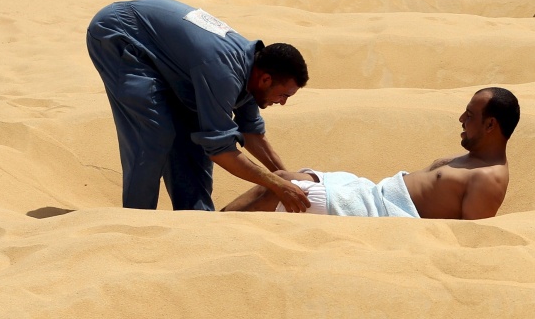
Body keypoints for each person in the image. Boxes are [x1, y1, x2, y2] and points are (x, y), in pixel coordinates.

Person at [86, 0, 311, 212]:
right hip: (120, 33)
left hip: (168, 57)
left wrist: (287, 179)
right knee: (155, 132)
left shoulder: (253, 73)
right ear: (266, 79)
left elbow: (251, 132)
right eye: (283, 95)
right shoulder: (223, 73)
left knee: (193, 133)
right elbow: (221, 151)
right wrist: (275, 184)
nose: (282, 103)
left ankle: (196, 220)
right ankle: (137, 220)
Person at [222, 87, 520, 220]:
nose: (461, 120)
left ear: (491, 124)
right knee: (280, 177)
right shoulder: (476, 161)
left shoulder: (488, 179)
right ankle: (214, 222)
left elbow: (470, 239)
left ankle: (219, 235)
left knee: (281, 191)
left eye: (469, 115)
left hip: (375, 214)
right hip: (369, 193)